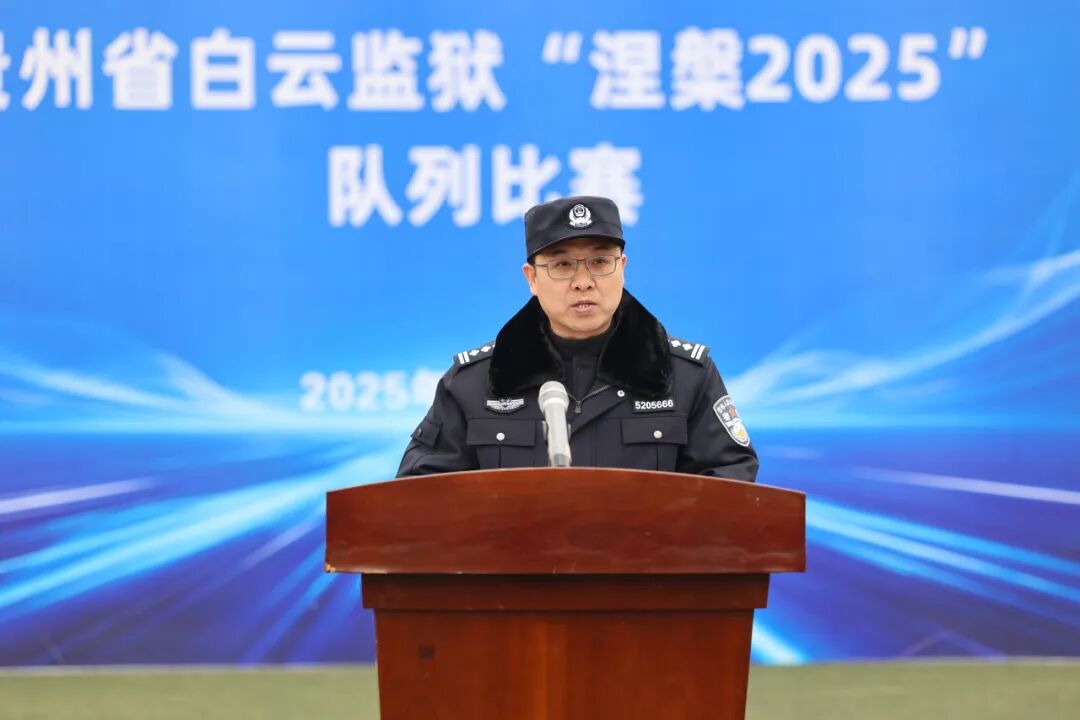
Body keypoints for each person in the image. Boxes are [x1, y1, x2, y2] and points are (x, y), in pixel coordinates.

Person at [396, 195, 758, 481]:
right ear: (531, 278)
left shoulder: (685, 377)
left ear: (623, 269)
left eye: (599, 262)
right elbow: (420, 498)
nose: (583, 282)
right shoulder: (474, 384)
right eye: (562, 265)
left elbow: (731, 490)